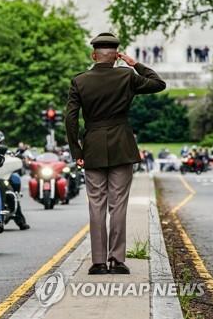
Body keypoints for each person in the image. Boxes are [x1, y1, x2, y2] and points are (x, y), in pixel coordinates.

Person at [65, 32, 166, 275]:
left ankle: (98, 262)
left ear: (94, 55)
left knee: (96, 205)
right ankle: (117, 260)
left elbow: (70, 119)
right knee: (118, 205)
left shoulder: (80, 81)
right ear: (116, 56)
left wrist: (76, 149)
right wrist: (134, 64)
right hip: (122, 145)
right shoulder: (127, 76)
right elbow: (158, 83)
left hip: (93, 148)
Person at [0, 130, 30, 230]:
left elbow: (13, 155)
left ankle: (20, 221)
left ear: (0, 142)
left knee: (10, 192)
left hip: (2, 176)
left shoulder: (4, 151)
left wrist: (18, 155)